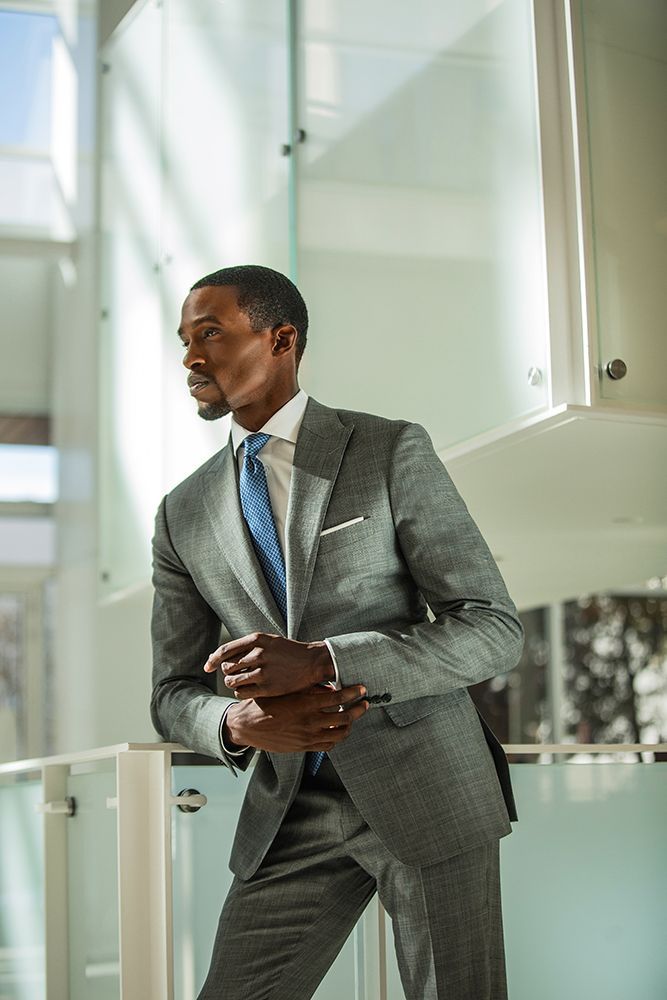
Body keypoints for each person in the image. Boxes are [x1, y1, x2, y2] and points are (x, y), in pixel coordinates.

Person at [150, 264, 523, 1000]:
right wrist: (238, 720)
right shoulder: (181, 513)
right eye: (184, 341)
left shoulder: (386, 450)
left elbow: (491, 630)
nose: (191, 358)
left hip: (428, 791)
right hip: (289, 809)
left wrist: (323, 660)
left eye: (210, 335)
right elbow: (169, 693)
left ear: (280, 338)